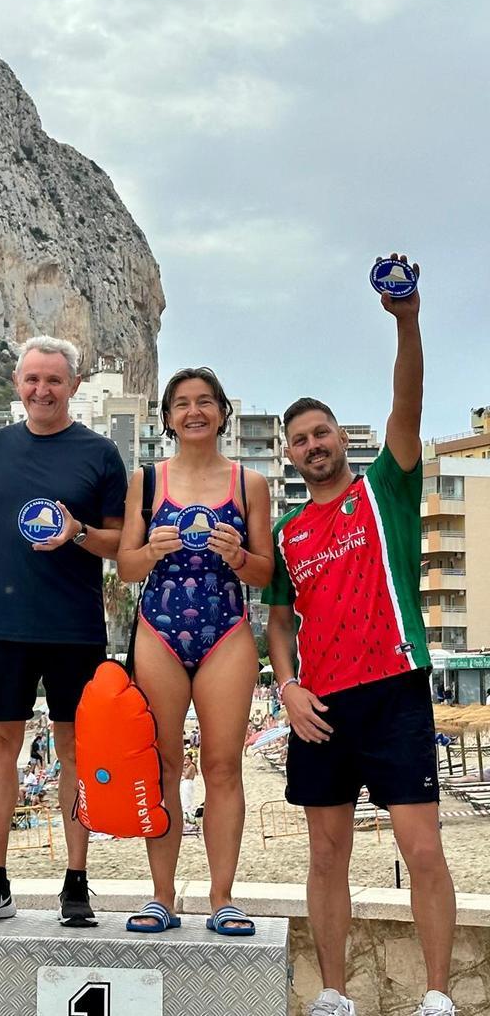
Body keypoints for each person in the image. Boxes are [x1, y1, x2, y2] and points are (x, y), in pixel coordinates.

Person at [265, 256, 456, 1016]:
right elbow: (278, 619)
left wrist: (406, 320)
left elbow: (406, 395)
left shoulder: (387, 485)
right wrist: (286, 686)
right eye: (300, 439)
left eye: (322, 432)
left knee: (424, 849)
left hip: (396, 686)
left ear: (342, 437)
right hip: (322, 706)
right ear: (288, 453)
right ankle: (336, 993)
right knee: (326, 855)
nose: (314, 445)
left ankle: (438, 996)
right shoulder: (286, 531)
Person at [0, 336, 127, 928]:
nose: (42, 390)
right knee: (0, 746)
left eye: (53, 380)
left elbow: (119, 543)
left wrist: (77, 531)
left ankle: (76, 881)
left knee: (76, 750)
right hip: (4, 627)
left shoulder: (102, 454)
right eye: (32, 379)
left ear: (74, 386)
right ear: (16, 383)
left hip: (74, 628)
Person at [116, 366, 273, 937]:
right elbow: (126, 567)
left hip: (226, 628)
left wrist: (237, 556)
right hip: (158, 628)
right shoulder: (147, 482)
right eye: (182, 403)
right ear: (167, 418)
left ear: (223, 413)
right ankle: (161, 895)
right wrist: (152, 549)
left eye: (205, 401)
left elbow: (264, 573)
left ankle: (223, 896)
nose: (194, 411)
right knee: (161, 764)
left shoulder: (248, 484)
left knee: (223, 765)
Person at [180, 751, 199, 826]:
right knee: (185, 799)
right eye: (185, 759)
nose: (186, 760)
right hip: (187, 783)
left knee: (186, 800)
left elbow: (186, 776)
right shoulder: (189, 766)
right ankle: (187, 815)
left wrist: (183, 770)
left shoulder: (191, 766)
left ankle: (187, 815)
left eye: (187, 759)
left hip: (188, 783)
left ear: (190, 760)